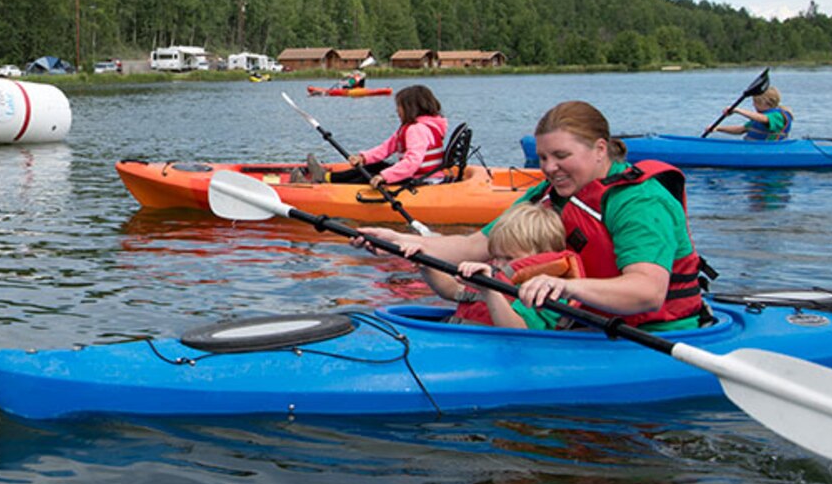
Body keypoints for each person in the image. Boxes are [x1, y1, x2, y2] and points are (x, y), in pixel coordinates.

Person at [359, 100, 707, 332]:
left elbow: (647, 291)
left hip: (650, 333)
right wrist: (402, 242)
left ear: (600, 149)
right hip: (579, 325)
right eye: (542, 158)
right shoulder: (547, 194)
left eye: (560, 156)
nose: (549, 168)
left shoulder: (640, 202)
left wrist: (566, 286)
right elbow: (474, 245)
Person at [417, 200, 578, 328]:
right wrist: (425, 263)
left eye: (508, 258)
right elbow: (452, 291)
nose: (500, 264)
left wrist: (489, 290)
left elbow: (518, 333)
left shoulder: (550, 293)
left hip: (514, 356)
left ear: (543, 255)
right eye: (496, 257)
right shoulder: (498, 275)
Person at [298, 85, 447, 185]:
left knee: (368, 175)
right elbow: (386, 148)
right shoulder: (416, 126)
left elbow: (412, 162)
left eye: (399, 107)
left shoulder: (417, 130)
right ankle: (325, 178)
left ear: (411, 108)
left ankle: (327, 185)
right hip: (418, 175)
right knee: (374, 165)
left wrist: (385, 176)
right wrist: (363, 158)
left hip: (423, 180)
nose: (397, 111)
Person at [717, 86, 793, 140]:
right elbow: (740, 129)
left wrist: (737, 110)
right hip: (753, 148)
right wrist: (718, 128)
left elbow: (763, 118)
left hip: (769, 150)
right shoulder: (757, 118)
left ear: (765, 103)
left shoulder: (777, 116)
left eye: (755, 102)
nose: (753, 105)